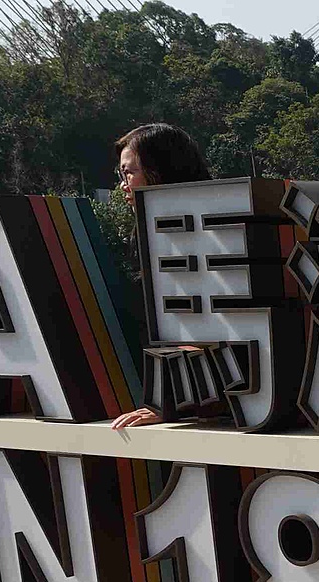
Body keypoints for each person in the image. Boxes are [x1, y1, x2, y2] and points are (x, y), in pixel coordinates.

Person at [109, 125, 211, 431]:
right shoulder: (150, 230)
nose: (123, 185)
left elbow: (206, 327)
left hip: (214, 400)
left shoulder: (204, 231)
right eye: (121, 174)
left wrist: (171, 400)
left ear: (160, 171)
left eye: (129, 173)